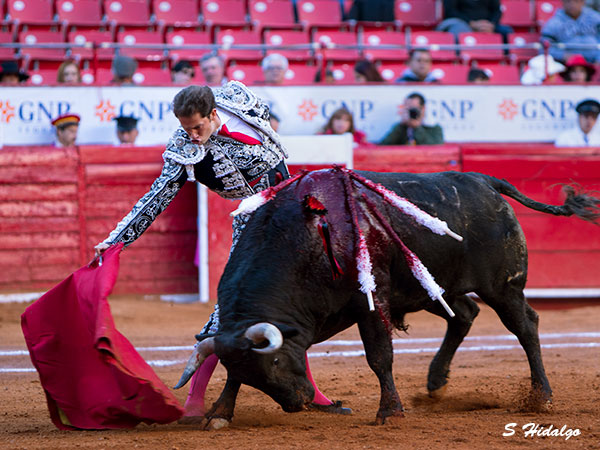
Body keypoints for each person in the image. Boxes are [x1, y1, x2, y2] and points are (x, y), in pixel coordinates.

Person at [93, 81, 348, 422]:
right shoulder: (184, 149)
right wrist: (116, 239)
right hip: (253, 229)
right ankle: (195, 401)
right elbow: (155, 199)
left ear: (214, 113)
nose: (193, 136)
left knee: (301, 303)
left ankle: (310, 392)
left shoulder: (240, 99)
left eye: (197, 127)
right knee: (228, 311)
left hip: (293, 213)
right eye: (186, 129)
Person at [380, 92, 444, 145]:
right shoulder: (401, 126)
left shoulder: (434, 127)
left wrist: (417, 128)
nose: (411, 112)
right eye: (408, 109)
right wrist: (402, 126)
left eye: (413, 109)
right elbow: (384, 145)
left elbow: (436, 148)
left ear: (423, 108)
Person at [436, 0, 513, 40]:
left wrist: (491, 24)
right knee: (458, 30)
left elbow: (497, 11)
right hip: (463, 23)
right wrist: (471, 23)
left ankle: (504, 62)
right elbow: (450, 11)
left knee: (507, 31)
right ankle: (457, 61)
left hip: (487, 25)